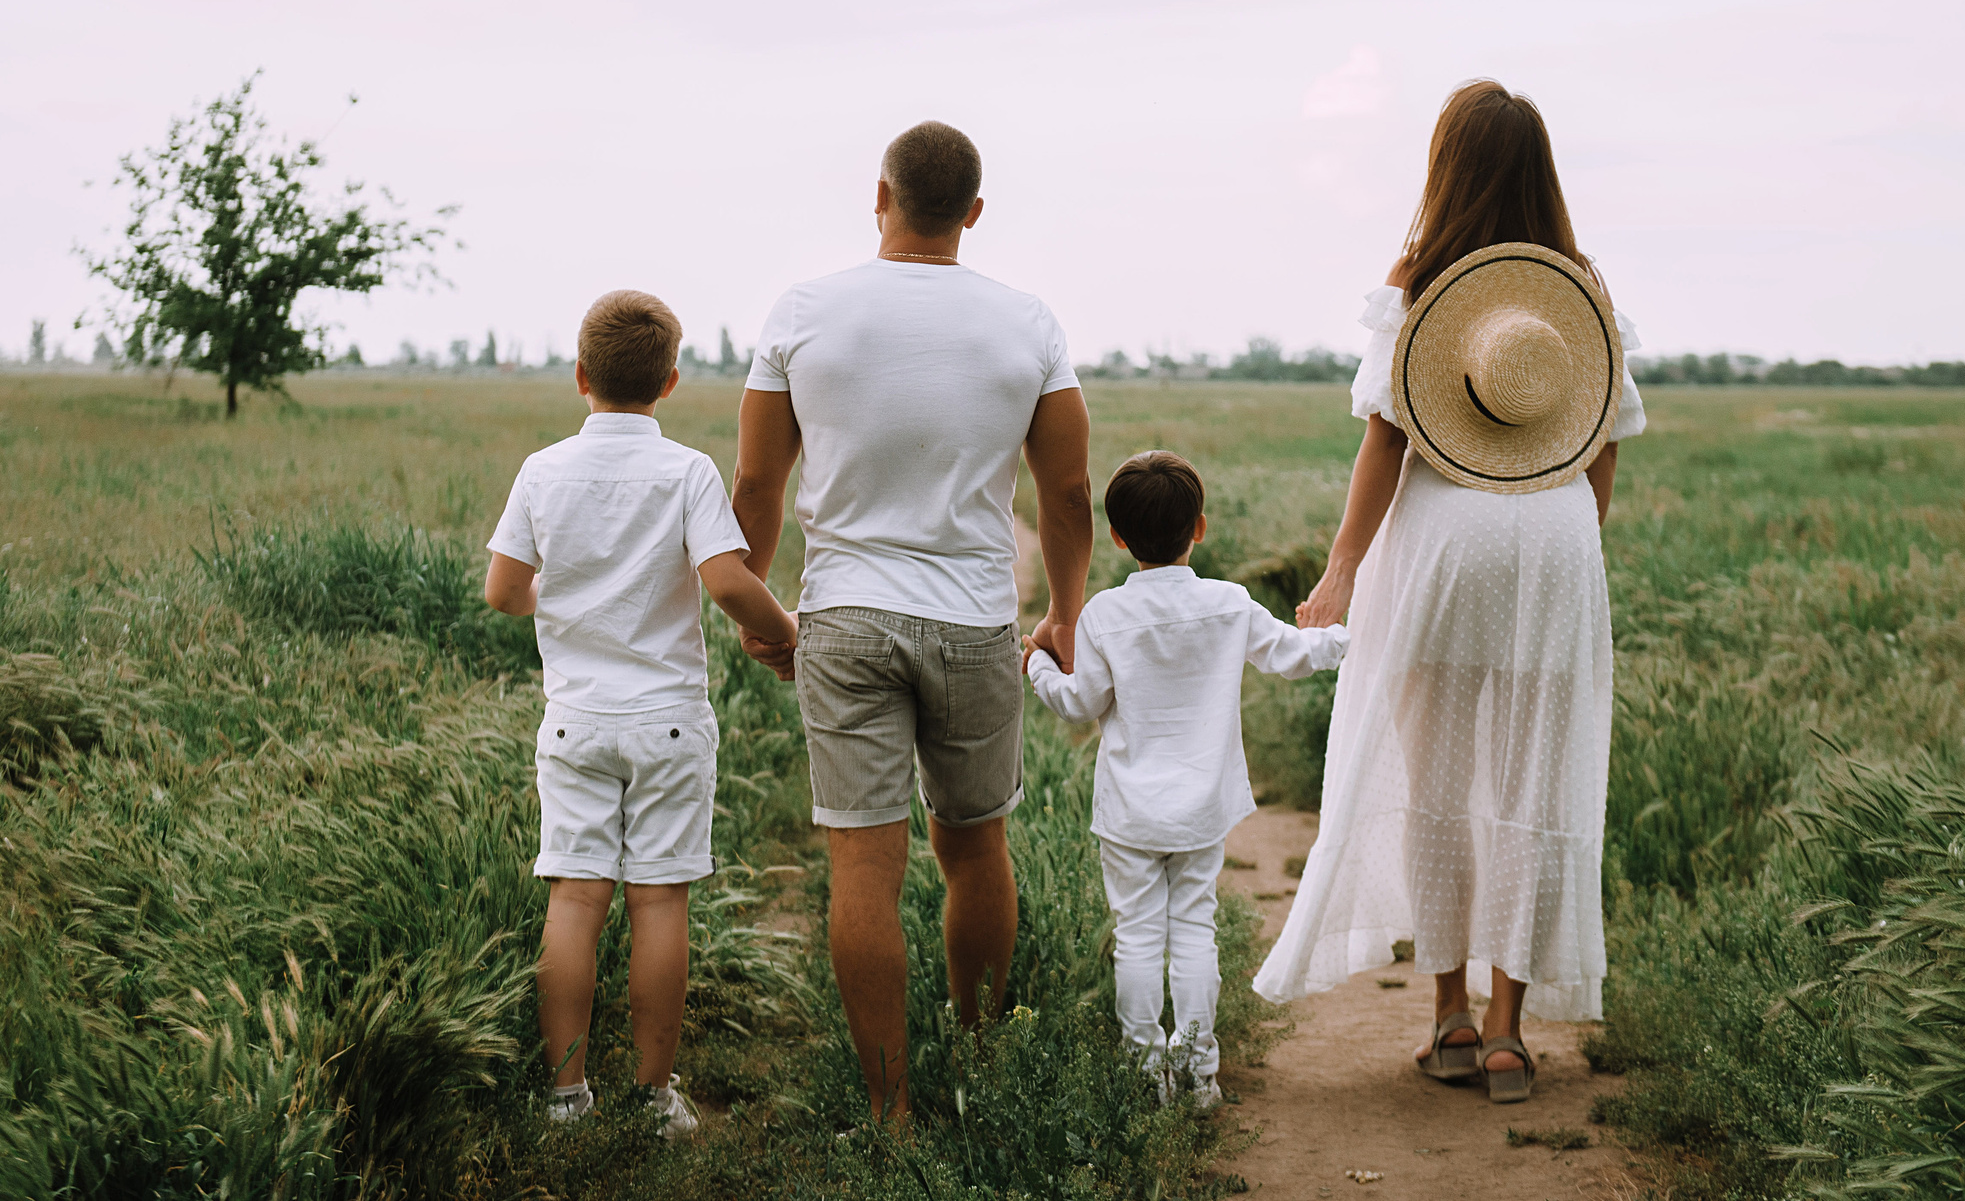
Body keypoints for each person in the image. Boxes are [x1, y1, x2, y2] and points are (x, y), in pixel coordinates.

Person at [1254, 80, 1646, 1106]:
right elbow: (1602, 448)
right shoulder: (1580, 289)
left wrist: (1341, 570)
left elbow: (1385, 439)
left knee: (1434, 779)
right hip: (1553, 541)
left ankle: (1450, 1018)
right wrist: (1562, 545)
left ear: (1449, 166)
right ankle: (1514, 1031)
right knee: (1535, 782)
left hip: (1441, 543)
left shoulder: (1420, 279)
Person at [729, 121, 1094, 1120]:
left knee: (862, 862)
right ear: (973, 211)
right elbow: (1066, 494)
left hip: (842, 616)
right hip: (975, 620)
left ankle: (888, 1110)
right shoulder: (1028, 324)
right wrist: (1063, 612)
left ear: (878, 194)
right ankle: (976, 1064)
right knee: (976, 849)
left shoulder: (804, 311)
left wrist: (759, 604)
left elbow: (759, 480)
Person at [483, 289, 801, 1131]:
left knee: (574, 899)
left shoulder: (542, 470)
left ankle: (563, 1095)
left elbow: (503, 589)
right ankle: (656, 1097)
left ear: (581, 375)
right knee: (659, 901)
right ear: (670, 382)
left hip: (575, 720)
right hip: (666, 719)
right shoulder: (688, 469)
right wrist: (789, 633)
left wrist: (570, 593)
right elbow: (728, 580)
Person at [1026, 451, 1347, 1107]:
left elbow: (1078, 702)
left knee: (1139, 938)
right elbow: (1294, 655)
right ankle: (1200, 1073)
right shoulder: (1229, 603)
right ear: (1199, 527)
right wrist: (1344, 636)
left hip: (1129, 812)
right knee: (1194, 931)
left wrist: (1036, 666)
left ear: (1117, 537)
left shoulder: (1105, 616)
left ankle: (1147, 1078)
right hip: (1203, 806)